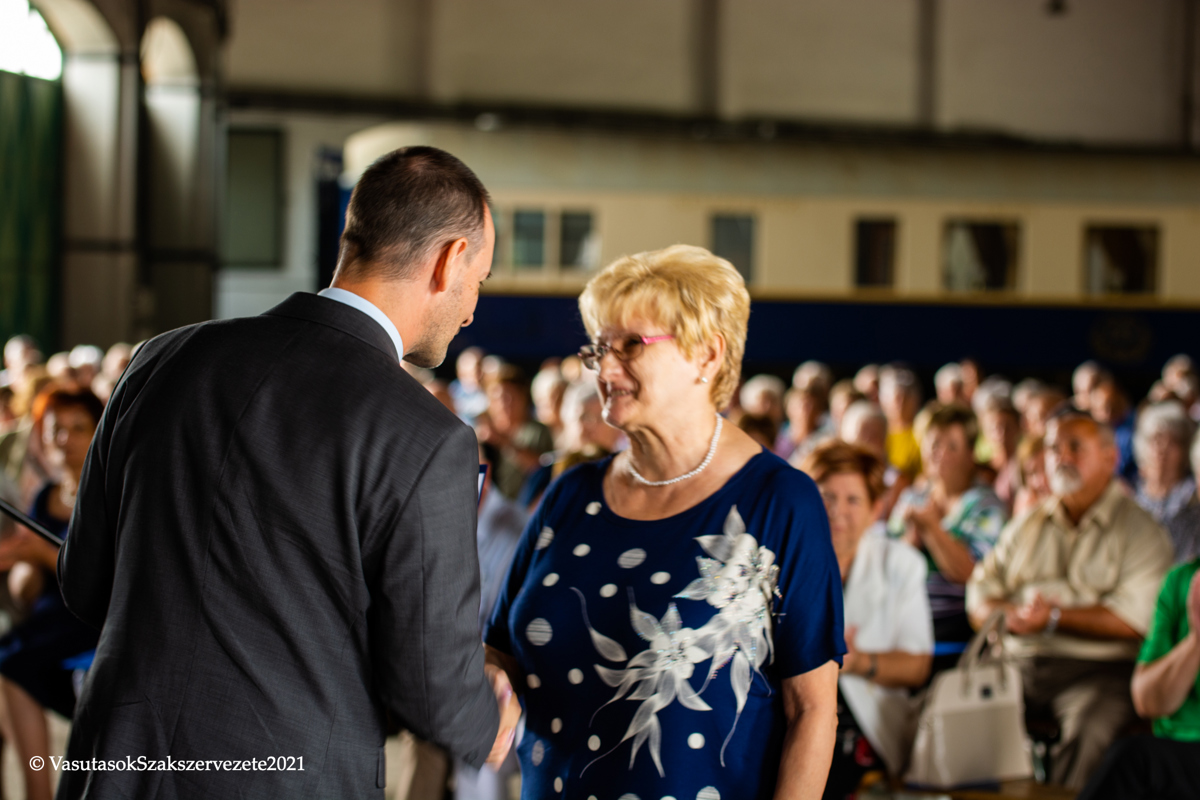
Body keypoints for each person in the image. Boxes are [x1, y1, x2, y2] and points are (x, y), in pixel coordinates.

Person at [56, 146, 519, 799]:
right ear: (450, 260)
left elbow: (84, 585)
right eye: (480, 281)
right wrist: (487, 716)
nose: (471, 309)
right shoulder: (426, 436)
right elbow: (430, 689)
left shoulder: (161, 359)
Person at [485, 245, 845, 800]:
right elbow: (501, 649)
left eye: (632, 345)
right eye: (600, 348)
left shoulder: (778, 502)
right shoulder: (571, 494)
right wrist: (495, 684)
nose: (606, 369)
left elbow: (813, 710)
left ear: (707, 355)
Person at [967, 407, 1174, 790]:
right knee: (962, 709)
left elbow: (1136, 619)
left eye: (1075, 447)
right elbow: (980, 589)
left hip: (1098, 670)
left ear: (1110, 458)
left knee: (1090, 728)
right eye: (1052, 448)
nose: (1061, 457)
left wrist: (1054, 617)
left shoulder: (1140, 531)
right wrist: (1006, 615)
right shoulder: (1028, 523)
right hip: (1018, 661)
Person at [801, 442, 932, 798]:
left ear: (876, 509)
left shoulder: (901, 564)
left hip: (866, 726)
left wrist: (858, 662)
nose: (837, 511)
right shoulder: (784, 561)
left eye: (853, 500)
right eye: (826, 497)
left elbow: (917, 666)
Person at [0, 387, 104, 800]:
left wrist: (42, 554)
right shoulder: (45, 495)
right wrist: (23, 564)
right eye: (55, 429)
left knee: (12, 658)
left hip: (85, 622)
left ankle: (39, 790)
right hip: (47, 619)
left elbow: (101, 581)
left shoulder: (107, 495)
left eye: (78, 428)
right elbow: (25, 590)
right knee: (10, 653)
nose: (64, 439)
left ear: (100, 431)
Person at [887, 404, 1006, 675]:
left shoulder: (986, 506)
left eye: (952, 446)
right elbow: (889, 566)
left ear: (970, 454)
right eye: (934, 445)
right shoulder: (911, 498)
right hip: (900, 621)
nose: (940, 454)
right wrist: (911, 541)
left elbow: (972, 574)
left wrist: (932, 528)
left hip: (955, 628)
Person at [1074, 557, 1200, 800]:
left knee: (1136, 759)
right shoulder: (1181, 580)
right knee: (1137, 762)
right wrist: (1195, 643)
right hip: (1172, 751)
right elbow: (1147, 702)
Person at [1132, 401, 1195, 530]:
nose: (1163, 448)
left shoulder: (1193, 497)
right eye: (1156, 439)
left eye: (1173, 441)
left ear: (1185, 449)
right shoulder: (1132, 494)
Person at [879, 365, 922, 481]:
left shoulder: (923, 433)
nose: (901, 403)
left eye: (907, 397)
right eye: (897, 398)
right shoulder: (878, 434)